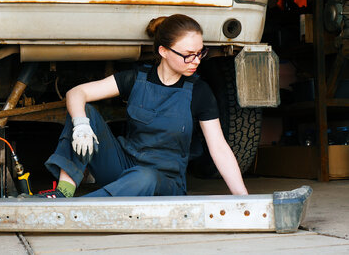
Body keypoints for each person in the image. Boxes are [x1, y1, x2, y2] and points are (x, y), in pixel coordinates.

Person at [36, 14, 248, 198]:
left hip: (165, 182)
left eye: (200, 53)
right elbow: (76, 93)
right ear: (164, 51)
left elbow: (219, 148)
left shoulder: (200, 92)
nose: (196, 61)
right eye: (188, 55)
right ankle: (63, 192)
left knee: (144, 177)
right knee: (85, 113)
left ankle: (75, 209)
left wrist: (243, 197)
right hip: (124, 168)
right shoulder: (136, 79)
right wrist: (81, 125)